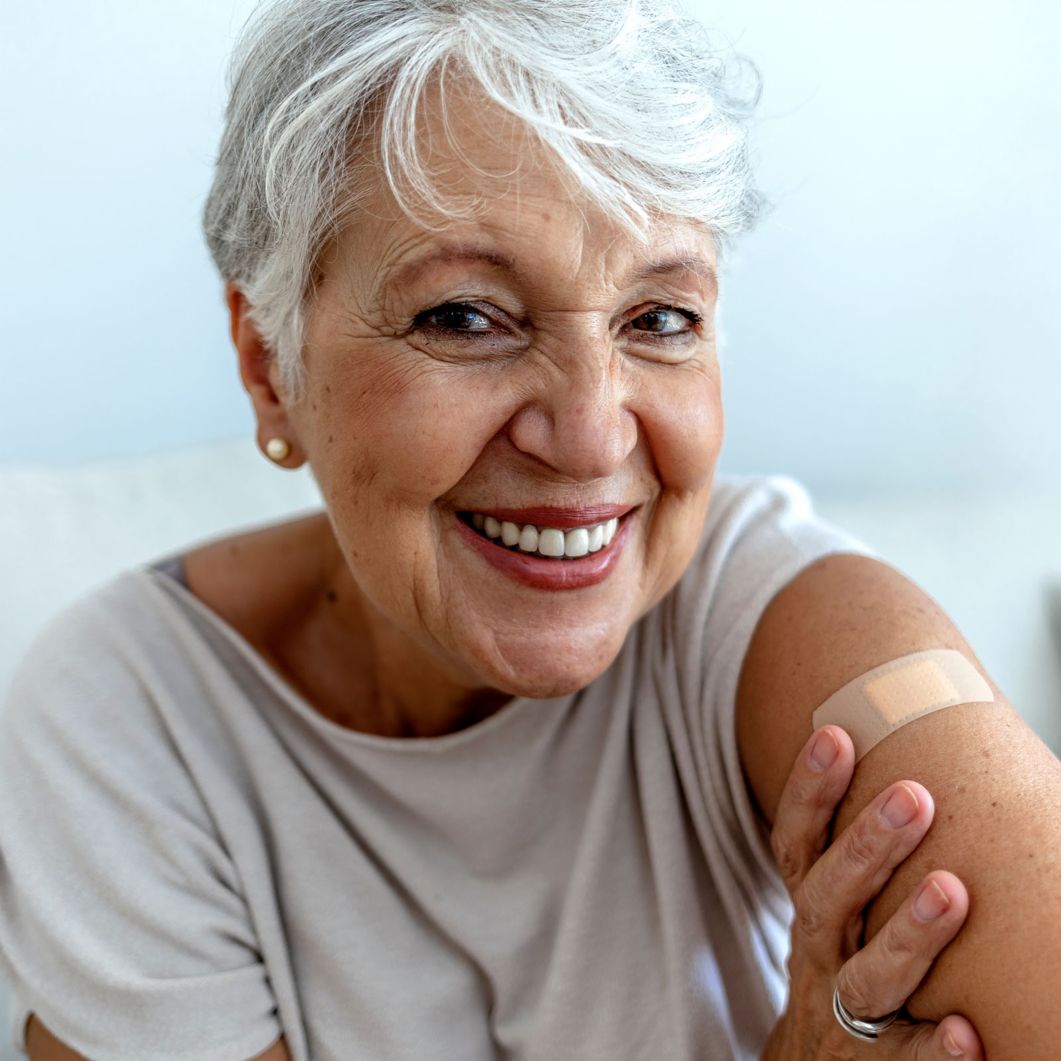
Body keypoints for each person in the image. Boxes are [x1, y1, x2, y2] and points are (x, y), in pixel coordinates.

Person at [1, 1, 1058, 1058]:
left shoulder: (781, 611)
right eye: (464, 315)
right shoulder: (123, 719)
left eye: (658, 319)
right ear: (269, 367)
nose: (593, 435)